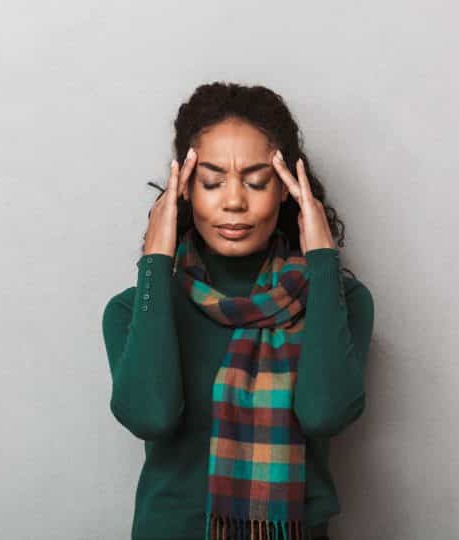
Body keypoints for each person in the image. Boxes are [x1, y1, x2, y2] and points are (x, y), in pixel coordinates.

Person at [102, 82, 375, 540]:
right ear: (184, 189)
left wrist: (323, 263)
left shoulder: (339, 301)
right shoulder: (133, 310)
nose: (233, 201)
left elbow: (325, 414)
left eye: (255, 181)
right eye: (211, 181)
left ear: (287, 189)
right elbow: (150, 416)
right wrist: (153, 264)